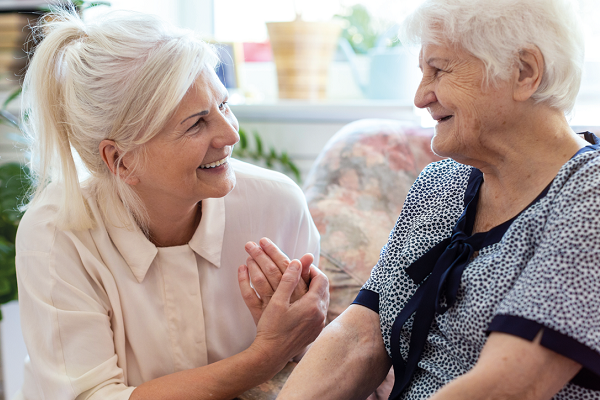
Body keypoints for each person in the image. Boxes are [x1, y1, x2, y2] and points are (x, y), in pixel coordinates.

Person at [247, 0, 600, 398]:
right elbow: (360, 337)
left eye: (439, 70)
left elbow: (511, 386)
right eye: (421, 72)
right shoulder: (440, 183)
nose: (420, 97)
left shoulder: (589, 193)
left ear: (524, 72)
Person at [15, 8, 328, 400]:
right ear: (121, 161)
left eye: (224, 105)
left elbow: (310, 358)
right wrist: (264, 356)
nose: (230, 134)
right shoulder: (55, 233)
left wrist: (298, 339)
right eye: (196, 123)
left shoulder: (276, 204)